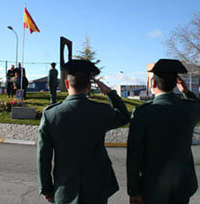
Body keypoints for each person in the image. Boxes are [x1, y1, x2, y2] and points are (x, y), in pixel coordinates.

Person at [37, 60, 130, 203]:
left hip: (65, 189)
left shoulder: (50, 114)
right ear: (89, 86)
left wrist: (46, 188)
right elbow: (124, 116)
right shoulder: (101, 111)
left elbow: (44, 157)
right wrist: (110, 93)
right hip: (96, 189)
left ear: (67, 84)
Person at [127, 59, 200, 204]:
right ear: (177, 84)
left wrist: (134, 190)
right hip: (182, 184)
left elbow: (134, 156)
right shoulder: (189, 109)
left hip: (151, 186)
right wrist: (187, 92)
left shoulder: (142, 113)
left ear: (153, 84)